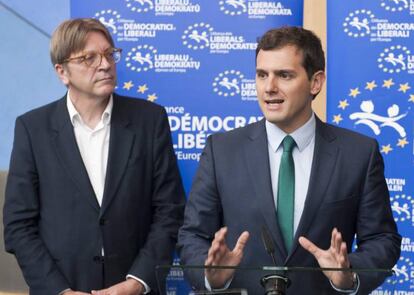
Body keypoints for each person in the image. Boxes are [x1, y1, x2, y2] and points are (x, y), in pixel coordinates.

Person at [177, 26, 401, 294]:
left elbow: (381, 240)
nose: (269, 87)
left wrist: (349, 275)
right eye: (262, 75)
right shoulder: (221, 150)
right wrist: (212, 276)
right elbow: (192, 236)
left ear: (315, 82)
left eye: (284, 75)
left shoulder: (359, 153)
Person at [3, 18, 185, 295]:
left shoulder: (150, 120)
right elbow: (19, 226)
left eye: (109, 54)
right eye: (89, 58)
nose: (105, 64)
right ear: (62, 72)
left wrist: (137, 282)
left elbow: (170, 211)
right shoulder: (33, 128)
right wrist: (59, 290)